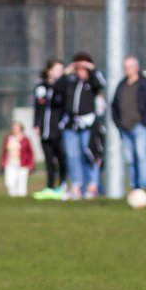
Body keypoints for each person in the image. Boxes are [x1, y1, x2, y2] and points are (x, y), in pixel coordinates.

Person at [57, 51, 106, 199]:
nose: (80, 71)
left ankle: (93, 186)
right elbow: (56, 87)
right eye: (78, 68)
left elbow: (102, 83)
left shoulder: (92, 82)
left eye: (83, 68)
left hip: (88, 125)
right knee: (72, 156)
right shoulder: (70, 81)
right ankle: (77, 186)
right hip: (70, 125)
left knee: (90, 154)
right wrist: (66, 72)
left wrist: (92, 69)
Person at [111, 56, 146, 194]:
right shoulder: (122, 85)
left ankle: (144, 186)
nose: (127, 70)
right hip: (125, 128)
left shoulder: (145, 85)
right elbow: (114, 106)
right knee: (130, 159)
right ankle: (134, 187)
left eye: (129, 67)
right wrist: (118, 123)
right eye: (125, 67)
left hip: (140, 126)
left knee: (141, 156)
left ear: (136, 68)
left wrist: (145, 121)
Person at [32, 59, 66, 200]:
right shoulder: (41, 87)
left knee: (62, 159)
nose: (60, 72)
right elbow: (38, 107)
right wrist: (36, 124)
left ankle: (62, 186)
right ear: (49, 71)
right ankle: (50, 186)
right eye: (57, 69)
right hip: (45, 131)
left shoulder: (63, 87)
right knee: (49, 160)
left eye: (61, 70)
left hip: (59, 130)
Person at [0, 121, 35, 198]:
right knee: (9, 183)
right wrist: (2, 163)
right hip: (11, 164)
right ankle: (13, 197)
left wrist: (31, 164)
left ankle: (21, 200)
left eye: (17, 127)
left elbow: (30, 153)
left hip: (23, 164)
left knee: (22, 184)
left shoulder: (25, 139)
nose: (15, 129)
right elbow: (4, 152)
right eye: (13, 127)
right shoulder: (8, 138)